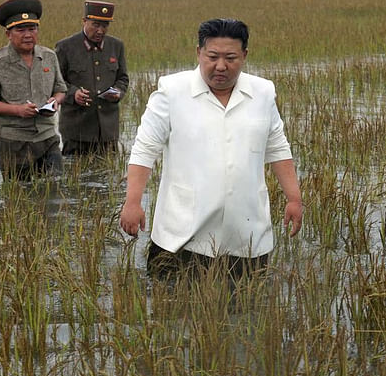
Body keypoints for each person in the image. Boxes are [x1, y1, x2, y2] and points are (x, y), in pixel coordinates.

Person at [119, 18, 303, 275]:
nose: (221, 66)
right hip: (181, 235)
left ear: (245, 55)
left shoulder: (262, 92)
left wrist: (294, 199)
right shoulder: (172, 91)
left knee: (247, 308)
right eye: (212, 56)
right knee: (171, 308)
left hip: (246, 236)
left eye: (231, 58)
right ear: (198, 52)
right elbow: (145, 149)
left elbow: (278, 148)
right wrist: (132, 202)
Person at [0, 0, 67, 181]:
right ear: (8, 34)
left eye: (32, 29)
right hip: (13, 141)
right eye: (21, 30)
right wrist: (18, 110)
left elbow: (60, 89)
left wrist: (55, 101)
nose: (28, 35)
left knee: (55, 188)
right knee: (18, 194)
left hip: (47, 136)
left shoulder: (49, 56)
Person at [54, 0, 129, 155]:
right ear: (84, 21)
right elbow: (56, 82)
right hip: (77, 131)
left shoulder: (116, 46)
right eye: (95, 25)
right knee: (76, 176)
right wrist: (73, 93)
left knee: (108, 174)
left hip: (108, 130)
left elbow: (123, 78)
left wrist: (118, 92)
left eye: (105, 25)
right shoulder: (65, 47)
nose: (100, 30)